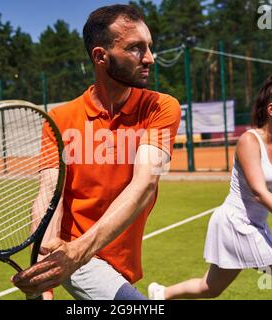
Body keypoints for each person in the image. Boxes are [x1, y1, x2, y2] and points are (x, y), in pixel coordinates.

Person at [12, 4, 181, 300]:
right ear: (101, 56)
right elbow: (50, 198)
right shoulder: (60, 120)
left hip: (97, 258)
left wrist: (75, 254)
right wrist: (45, 275)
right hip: (74, 253)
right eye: (135, 49)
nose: (150, 59)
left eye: (149, 47)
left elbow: (145, 185)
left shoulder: (161, 108)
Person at [148, 75, 272, 300]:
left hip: (256, 226)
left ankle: (160, 294)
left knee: (210, 288)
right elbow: (259, 192)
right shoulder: (249, 141)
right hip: (235, 224)